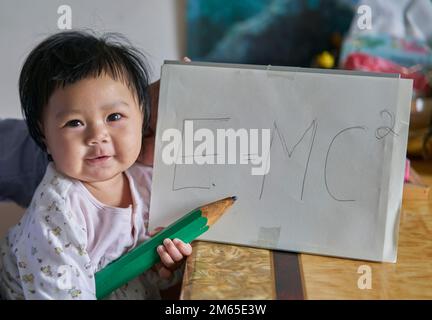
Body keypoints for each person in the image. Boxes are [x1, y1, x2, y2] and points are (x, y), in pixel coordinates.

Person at [0, 30, 192, 300]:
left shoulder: (147, 184)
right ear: (44, 134)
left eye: (114, 116)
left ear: (144, 117)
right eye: (74, 123)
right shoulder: (59, 208)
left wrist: (163, 265)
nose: (97, 136)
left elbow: (136, 274)